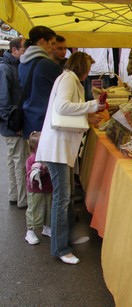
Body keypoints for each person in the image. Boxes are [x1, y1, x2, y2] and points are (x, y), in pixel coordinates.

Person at [36, 51, 105, 264]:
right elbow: (62, 107)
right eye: (88, 67)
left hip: (61, 147)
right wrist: (91, 106)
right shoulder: (68, 79)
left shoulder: (69, 78)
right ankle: (60, 247)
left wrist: (87, 114)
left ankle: (66, 239)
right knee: (62, 198)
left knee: (66, 196)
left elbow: (67, 110)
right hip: (57, 148)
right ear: (81, 67)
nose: (88, 72)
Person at [19, 25, 62, 139]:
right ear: (42, 41)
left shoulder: (22, 64)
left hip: (28, 121)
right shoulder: (47, 65)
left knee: (33, 156)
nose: (53, 47)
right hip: (45, 123)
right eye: (52, 43)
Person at [0, 37, 28, 209]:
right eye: (24, 50)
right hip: (12, 124)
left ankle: (15, 195)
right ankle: (22, 199)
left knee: (13, 160)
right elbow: (3, 100)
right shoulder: (5, 68)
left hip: (10, 122)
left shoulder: (13, 66)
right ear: (14, 50)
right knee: (19, 161)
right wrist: (14, 125)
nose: (26, 53)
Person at [25, 131, 53, 245]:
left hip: (48, 188)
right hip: (35, 190)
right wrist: (41, 169)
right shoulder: (32, 159)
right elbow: (30, 175)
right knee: (34, 209)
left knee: (48, 208)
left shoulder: (47, 156)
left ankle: (47, 227)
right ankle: (30, 231)